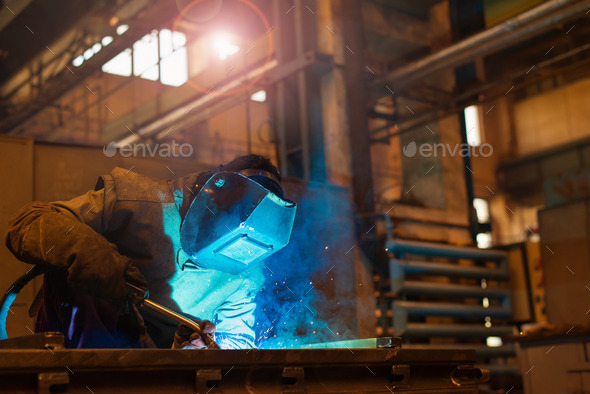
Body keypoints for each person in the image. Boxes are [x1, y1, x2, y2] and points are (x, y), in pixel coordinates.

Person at [5, 154, 296, 349]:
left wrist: (201, 351)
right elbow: (26, 222)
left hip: (157, 373)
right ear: (213, 195)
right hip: (81, 353)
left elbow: (237, 343)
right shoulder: (136, 200)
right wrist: (89, 252)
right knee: (87, 278)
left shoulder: (246, 268)